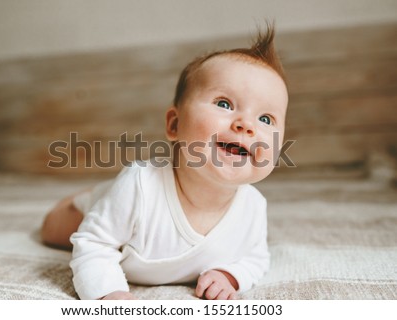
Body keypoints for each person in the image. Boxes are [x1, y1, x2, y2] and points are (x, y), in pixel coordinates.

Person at [41, 24, 288, 300]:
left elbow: (255, 258)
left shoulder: (253, 207)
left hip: (126, 209)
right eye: (224, 104)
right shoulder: (140, 186)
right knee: (51, 229)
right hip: (113, 207)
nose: (246, 125)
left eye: (266, 119)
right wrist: (108, 292)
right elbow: (92, 243)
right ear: (175, 124)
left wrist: (228, 275)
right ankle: (90, 198)